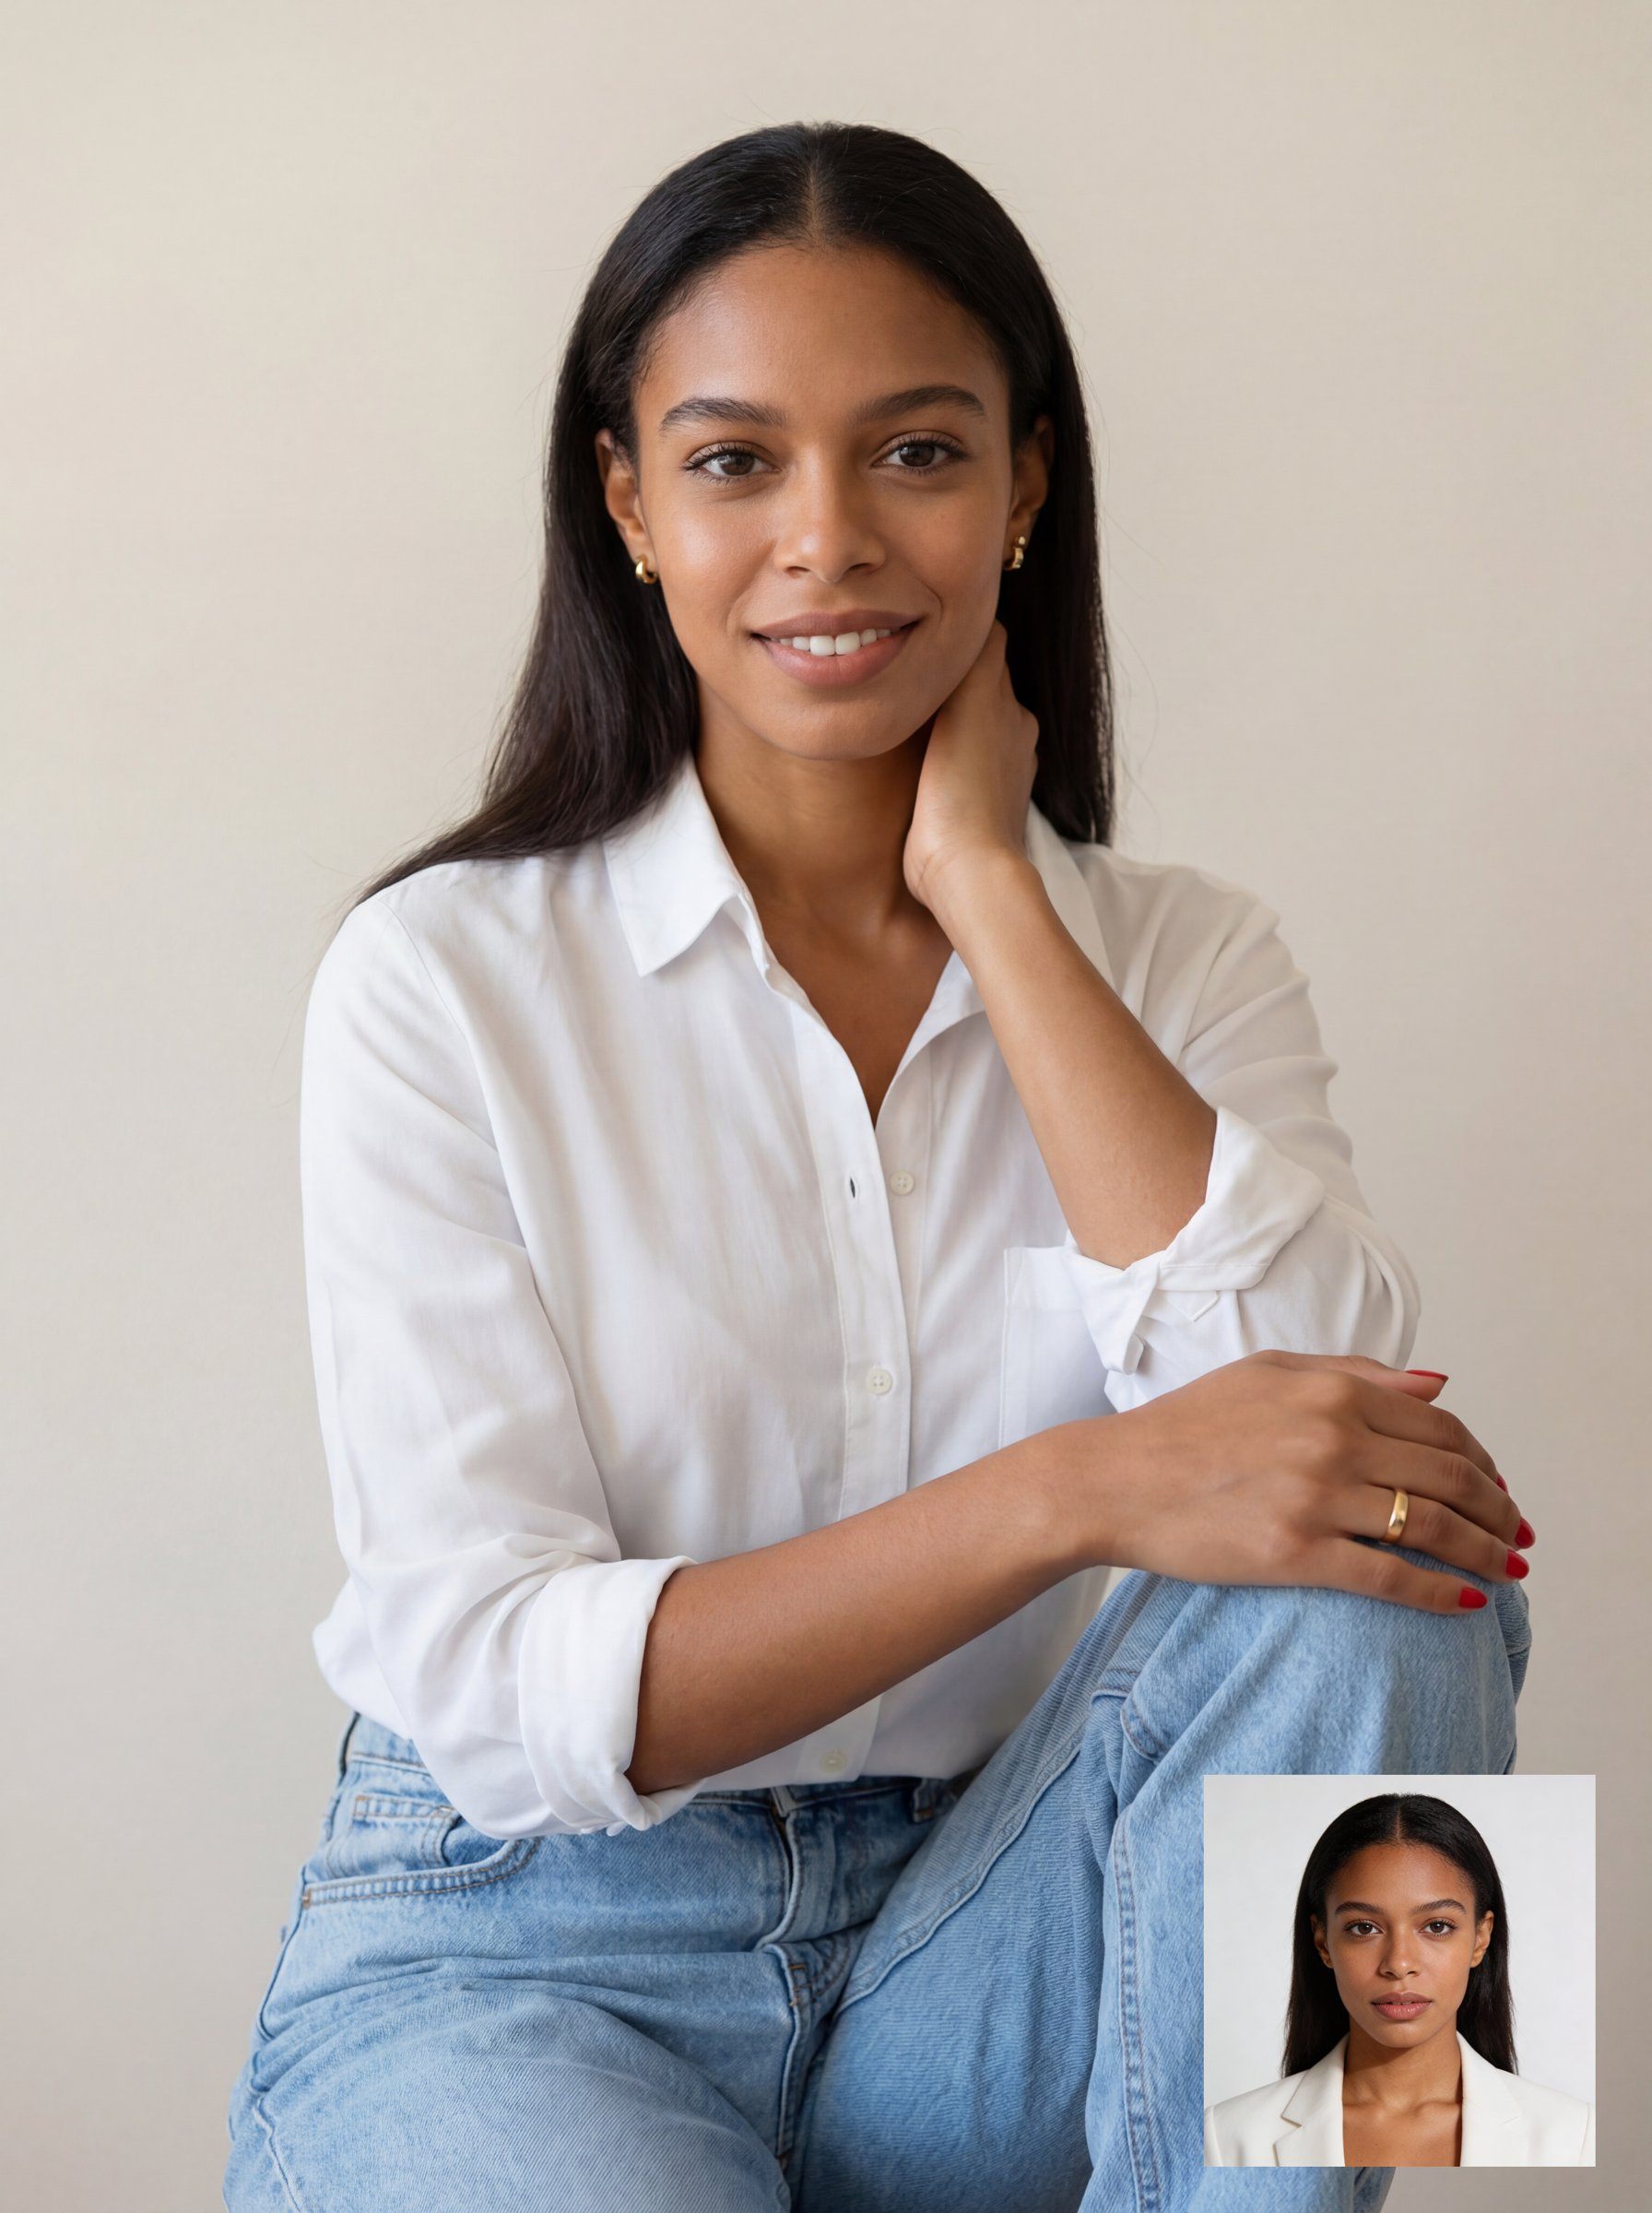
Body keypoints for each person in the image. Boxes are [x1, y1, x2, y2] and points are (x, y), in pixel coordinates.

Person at [224, 121, 1535, 2213]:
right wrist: (1078, 1487)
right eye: (738, 460)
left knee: (1407, 1568)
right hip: (531, 1948)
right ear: (627, 501)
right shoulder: (440, 974)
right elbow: (488, 1685)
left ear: (1026, 484)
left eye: (916, 451)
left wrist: (1000, 894)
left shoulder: (1191, 950)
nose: (828, 536)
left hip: (1003, 1940)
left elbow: (1342, 1451)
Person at [1205, 1793, 1593, 2167]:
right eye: (1364, 1928)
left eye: (1437, 1926)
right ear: (1323, 1942)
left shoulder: (1573, 2136)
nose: (1399, 1963)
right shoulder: (1229, 2138)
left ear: (1481, 1938)